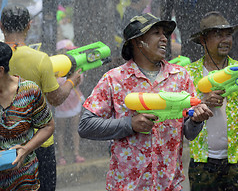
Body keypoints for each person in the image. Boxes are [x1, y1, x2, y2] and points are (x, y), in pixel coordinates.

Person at [78, 13, 213, 190]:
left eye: (165, 33)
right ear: (137, 41)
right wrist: (129, 124)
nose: (164, 38)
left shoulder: (180, 76)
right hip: (127, 186)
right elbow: (86, 126)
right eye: (156, 33)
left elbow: (189, 133)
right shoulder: (114, 79)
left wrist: (196, 120)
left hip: (169, 185)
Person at [185, 11, 238, 191]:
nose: (225, 40)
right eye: (218, 35)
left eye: (228, 34)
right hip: (202, 163)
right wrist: (203, 102)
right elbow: (180, 115)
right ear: (202, 40)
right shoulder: (188, 74)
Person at [0, 4, 81, 191]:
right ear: (29, 25)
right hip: (39, 143)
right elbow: (55, 99)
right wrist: (71, 82)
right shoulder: (40, 59)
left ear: (1, 26)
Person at [0, 42, 55, 190]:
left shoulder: (29, 91)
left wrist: (26, 149)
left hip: (25, 179)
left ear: (0, 71)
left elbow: (47, 126)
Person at [55, 39, 86, 165]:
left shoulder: (75, 64)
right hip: (61, 102)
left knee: (75, 129)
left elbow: (80, 80)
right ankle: (61, 156)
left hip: (74, 100)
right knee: (60, 130)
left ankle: (76, 154)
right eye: (67, 50)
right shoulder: (55, 66)